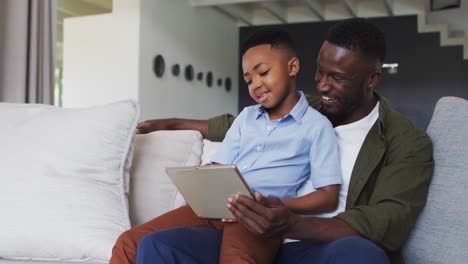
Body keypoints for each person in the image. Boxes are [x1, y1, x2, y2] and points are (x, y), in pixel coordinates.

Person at [126, 18, 434, 264]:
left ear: (372, 79)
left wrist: (289, 223)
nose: (323, 85)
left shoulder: (406, 141)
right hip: (255, 233)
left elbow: (387, 221)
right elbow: (238, 125)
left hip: (318, 247)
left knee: (361, 255)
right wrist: (171, 123)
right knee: (158, 246)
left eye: (337, 77)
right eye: (320, 71)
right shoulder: (309, 108)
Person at [111, 28, 343, 264]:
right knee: (129, 243)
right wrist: (203, 178)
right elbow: (219, 164)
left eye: (263, 72)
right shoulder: (246, 118)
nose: (256, 84)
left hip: (257, 217)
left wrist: (277, 206)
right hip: (215, 207)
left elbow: (328, 196)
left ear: (292, 67)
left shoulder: (316, 126)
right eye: (249, 80)